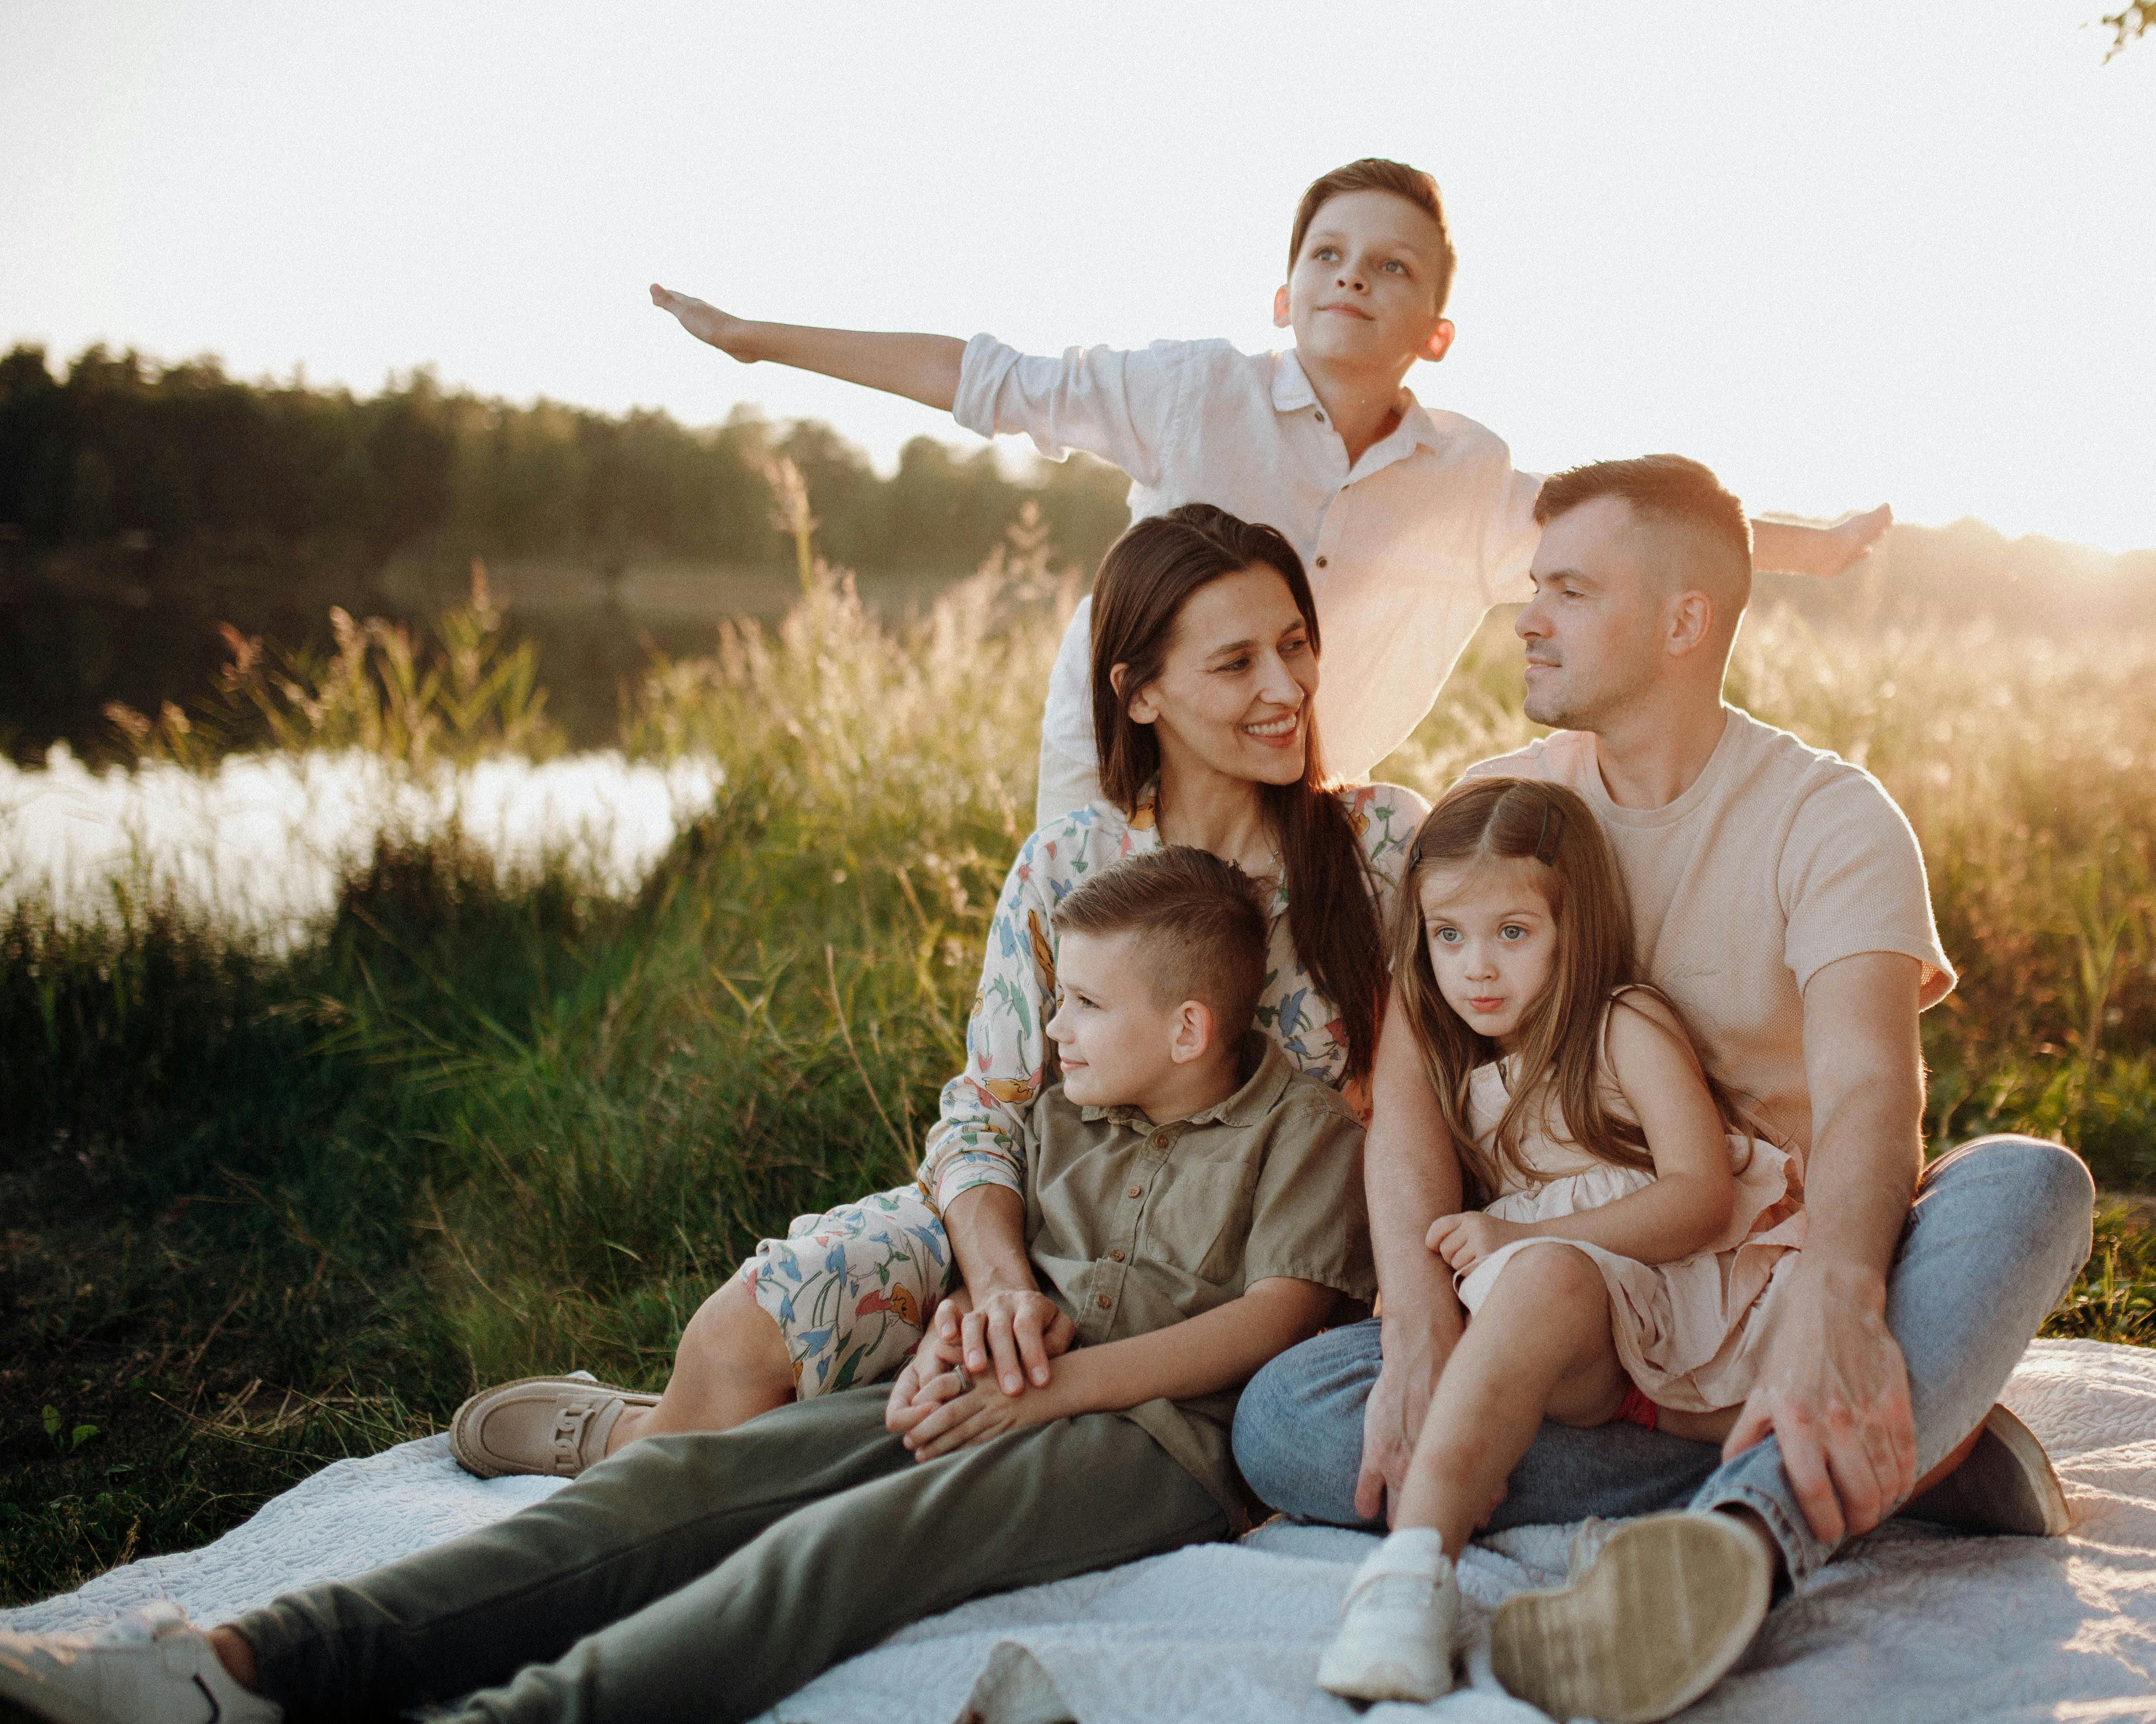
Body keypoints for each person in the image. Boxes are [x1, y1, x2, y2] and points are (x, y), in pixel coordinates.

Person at [0, 846, 1379, 1724]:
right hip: (990, 1390)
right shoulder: (1068, 1116)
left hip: (1151, 1444)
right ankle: (251, 1661)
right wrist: (975, 1321)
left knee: (826, 1554)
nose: (1054, 1028)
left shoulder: (1303, 1129)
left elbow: (1273, 1321)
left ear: (1189, 1026)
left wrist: (1057, 1386)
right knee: (683, 1484)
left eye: (1081, 1003)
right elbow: (1000, 1249)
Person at [1231, 455, 2098, 1724]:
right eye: (1534, 585)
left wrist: (1844, 1300)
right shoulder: (1499, 812)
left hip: (1777, 1262)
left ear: (1685, 621)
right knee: (1288, 1419)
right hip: (1586, 1297)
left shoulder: (1831, 817)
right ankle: (1901, 1450)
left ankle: (1747, 1535)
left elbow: (1871, 1095)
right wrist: (1416, 1315)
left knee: (2029, 1186)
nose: (1526, 616)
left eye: (1569, 590)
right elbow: (1410, 1095)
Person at [442, 503, 1422, 1477]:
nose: (1286, 685)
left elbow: (1444, 1080)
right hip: (1043, 1223)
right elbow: (985, 1112)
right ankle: (637, 1437)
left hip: (1246, 1261)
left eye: (1296, 645)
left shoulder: (1382, 849)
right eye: (1236, 661)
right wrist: (997, 1285)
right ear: (1139, 694)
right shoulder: (1069, 863)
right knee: (754, 1327)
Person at [649, 156, 1894, 828]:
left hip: (1305, 788)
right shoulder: (1192, 391)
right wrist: (759, 337)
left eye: (1390, 266)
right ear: (1285, 294)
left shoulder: (1466, 477)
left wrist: (1817, 550)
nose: (1355, 277)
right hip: (1122, 749)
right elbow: (982, 377)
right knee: (1101, 981)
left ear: (1437, 329)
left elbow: (1639, 538)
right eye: (1328, 256)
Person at [1315, 777, 1802, 1704]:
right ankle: (1408, 1579)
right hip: (1601, 1362)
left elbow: (1698, 1196)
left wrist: (1522, 1230)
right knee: (1303, 1403)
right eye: (1448, 935)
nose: (1477, 968)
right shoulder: (1464, 1064)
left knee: (1541, 1276)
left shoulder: (1623, 1022)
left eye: (1513, 932)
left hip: (1703, 1298)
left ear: (1572, 927)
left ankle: (1418, 1558)